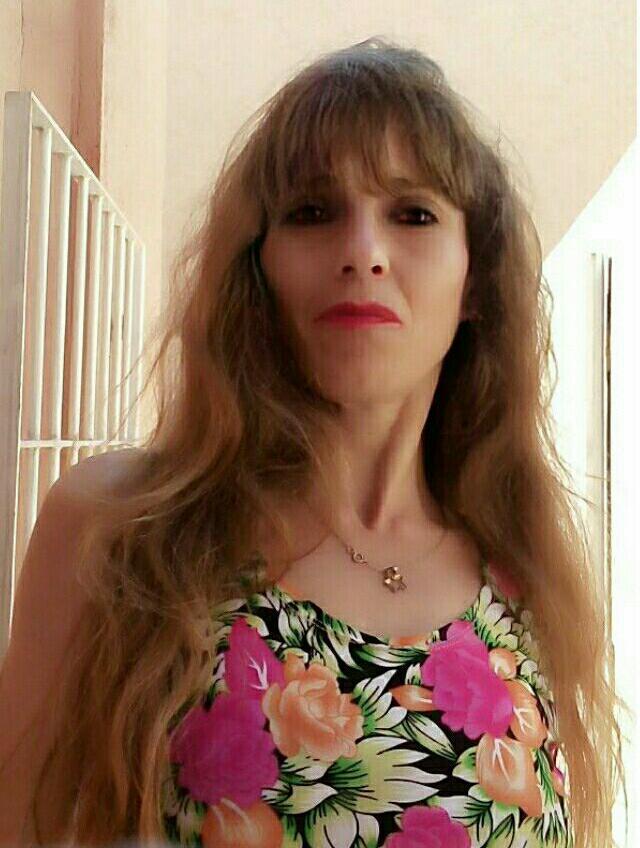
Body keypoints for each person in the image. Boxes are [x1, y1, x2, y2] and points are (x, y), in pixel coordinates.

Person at [0, 37, 628, 848]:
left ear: (475, 280)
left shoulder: (527, 577)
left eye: (413, 214)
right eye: (312, 212)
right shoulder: (119, 532)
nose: (362, 253)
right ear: (258, 269)